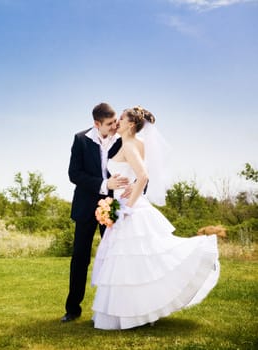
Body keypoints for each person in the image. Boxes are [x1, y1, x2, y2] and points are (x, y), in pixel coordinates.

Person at [90, 106, 220, 330]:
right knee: (137, 264)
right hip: (127, 202)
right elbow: (138, 174)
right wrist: (130, 189)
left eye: (120, 119)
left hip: (130, 208)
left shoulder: (130, 145)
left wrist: (127, 208)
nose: (117, 123)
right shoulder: (137, 143)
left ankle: (132, 314)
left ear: (130, 124)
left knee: (130, 264)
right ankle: (139, 312)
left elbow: (144, 175)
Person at [61, 102, 130, 323]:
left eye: (115, 122)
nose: (114, 126)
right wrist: (104, 184)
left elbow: (134, 170)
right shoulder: (81, 139)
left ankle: (112, 308)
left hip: (113, 207)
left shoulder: (121, 140)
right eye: (109, 124)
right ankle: (73, 309)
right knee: (80, 258)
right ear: (96, 123)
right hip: (85, 207)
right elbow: (74, 174)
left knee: (114, 258)